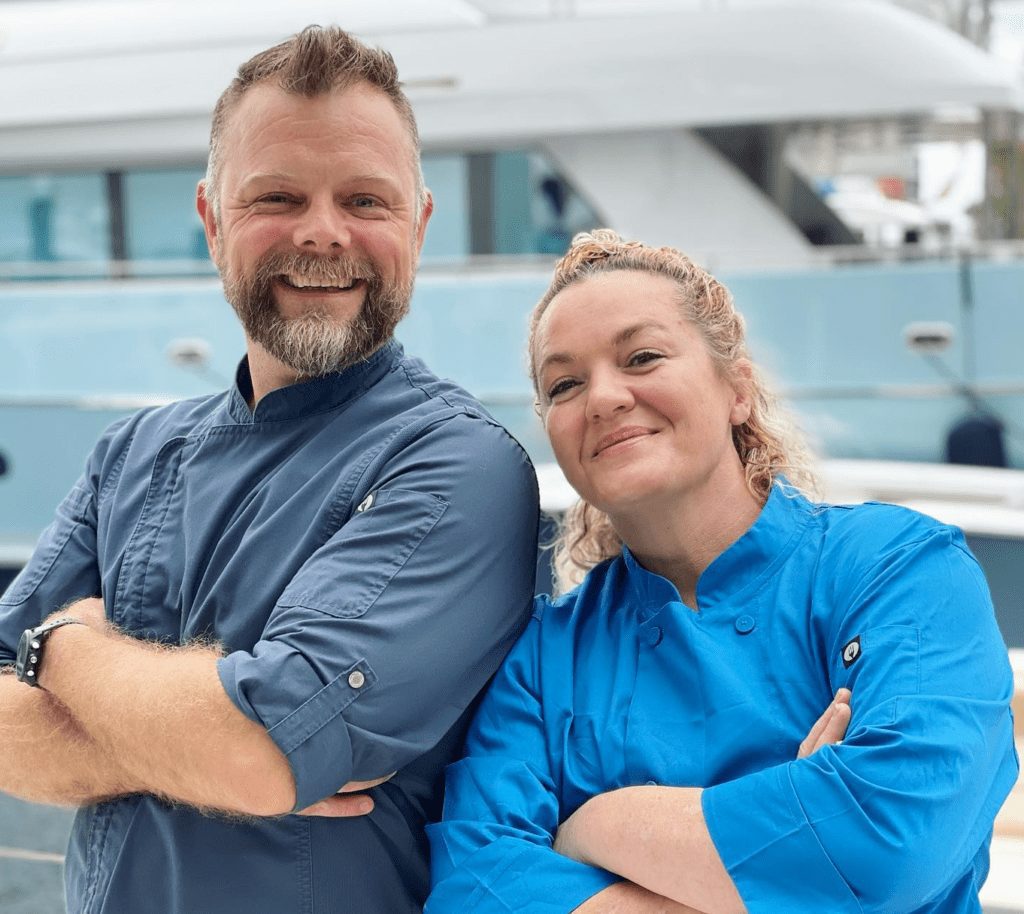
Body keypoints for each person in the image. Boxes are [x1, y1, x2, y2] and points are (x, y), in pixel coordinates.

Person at [0, 25, 539, 914]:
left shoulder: (456, 464)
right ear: (213, 220)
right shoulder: (128, 456)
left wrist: (61, 649)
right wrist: (201, 745)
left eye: (366, 199)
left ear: (419, 222)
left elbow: (259, 750)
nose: (324, 234)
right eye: (278, 196)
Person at [426, 230, 1018, 913]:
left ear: (737, 389)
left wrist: (600, 826)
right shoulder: (539, 663)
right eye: (564, 384)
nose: (604, 397)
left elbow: (891, 841)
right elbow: (474, 887)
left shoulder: (896, 569)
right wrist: (792, 841)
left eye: (641, 356)